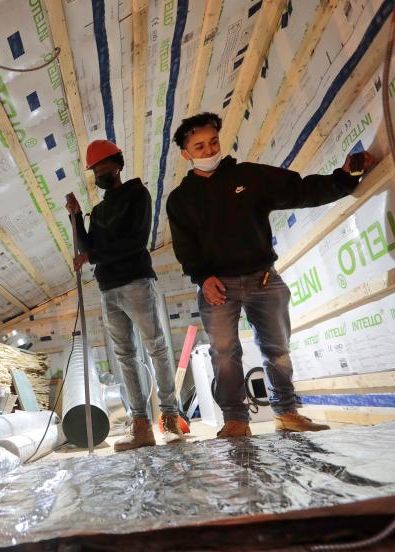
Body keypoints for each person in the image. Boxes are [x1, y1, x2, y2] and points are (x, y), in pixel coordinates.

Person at [165, 112, 374, 438]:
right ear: (186, 153)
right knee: (224, 354)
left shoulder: (247, 177)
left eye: (213, 142)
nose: (209, 151)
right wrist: (203, 278)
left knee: (277, 348)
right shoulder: (180, 200)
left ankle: (288, 413)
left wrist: (344, 179)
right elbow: (186, 249)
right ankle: (236, 421)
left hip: (264, 279)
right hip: (219, 286)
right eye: (199, 146)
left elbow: (299, 190)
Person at [66, 140, 182, 452]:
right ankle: (140, 424)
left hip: (136, 282)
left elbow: (136, 241)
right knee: (125, 357)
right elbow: (88, 247)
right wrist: (76, 217)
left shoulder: (137, 194)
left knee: (156, 348)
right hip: (109, 289)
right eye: (96, 169)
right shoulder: (99, 210)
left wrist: (92, 258)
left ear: (118, 164)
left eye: (105, 166)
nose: (101, 172)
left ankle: (169, 418)